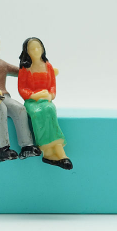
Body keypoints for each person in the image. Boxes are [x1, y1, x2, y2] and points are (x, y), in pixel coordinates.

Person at [0, 34, 42, 162]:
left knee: (19, 109)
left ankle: (27, 146)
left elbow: (20, 72)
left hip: (4, 97)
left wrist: (35, 69)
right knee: (0, 108)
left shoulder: (2, 64)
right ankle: (1, 149)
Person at [18, 37, 73, 170]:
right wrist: (33, 95)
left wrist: (49, 95)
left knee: (49, 109)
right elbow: (21, 88)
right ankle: (49, 150)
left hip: (45, 100)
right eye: (32, 49)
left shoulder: (48, 66)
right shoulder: (25, 68)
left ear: (43, 49)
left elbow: (52, 86)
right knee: (38, 113)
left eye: (39, 47)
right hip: (32, 101)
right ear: (27, 51)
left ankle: (56, 149)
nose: (36, 50)